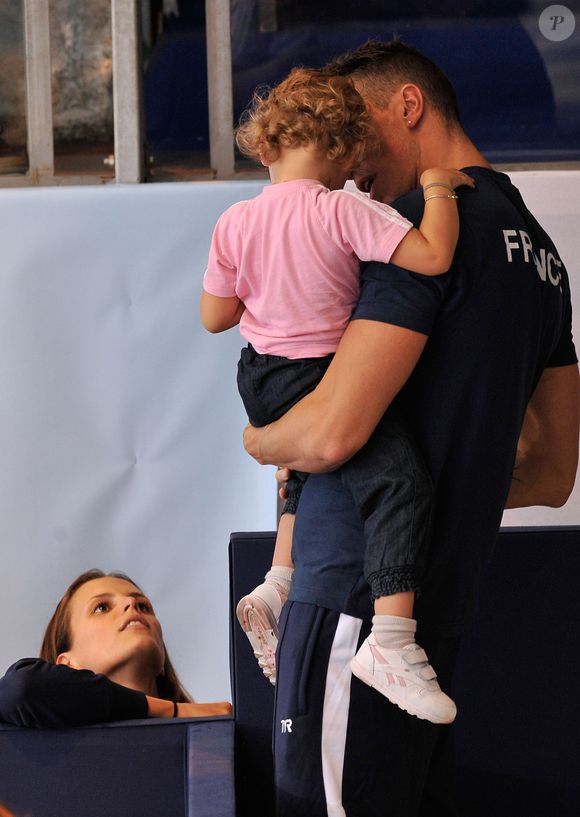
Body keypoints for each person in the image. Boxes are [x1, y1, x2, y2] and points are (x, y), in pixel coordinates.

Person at [243, 40, 579, 816]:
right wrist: (444, 498)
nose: (348, 160)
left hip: (348, 610)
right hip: (427, 632)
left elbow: (328, 436)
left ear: (409, 105)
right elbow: (552, 471)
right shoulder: (545, 259)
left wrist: (262, 440)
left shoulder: (416, 228)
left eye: (357, 131)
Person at [201, 66, 473, 724]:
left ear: (265, 145)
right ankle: (392, 640)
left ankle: (276, 580)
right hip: (320, 373)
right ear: (350, 154)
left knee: (304, 471)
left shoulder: (235, 221)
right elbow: (434, 257)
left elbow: (215, 315)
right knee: (399, 484)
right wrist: (439, 190)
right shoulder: (344, 207)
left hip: (260, 377)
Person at [0, 569, 232, 727]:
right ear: (67, 665)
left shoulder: (215, 739)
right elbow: (21, 688)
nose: (131, 604)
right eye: (101, 607)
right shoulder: (37, 748)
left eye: (143, 605)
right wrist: (173, 712)